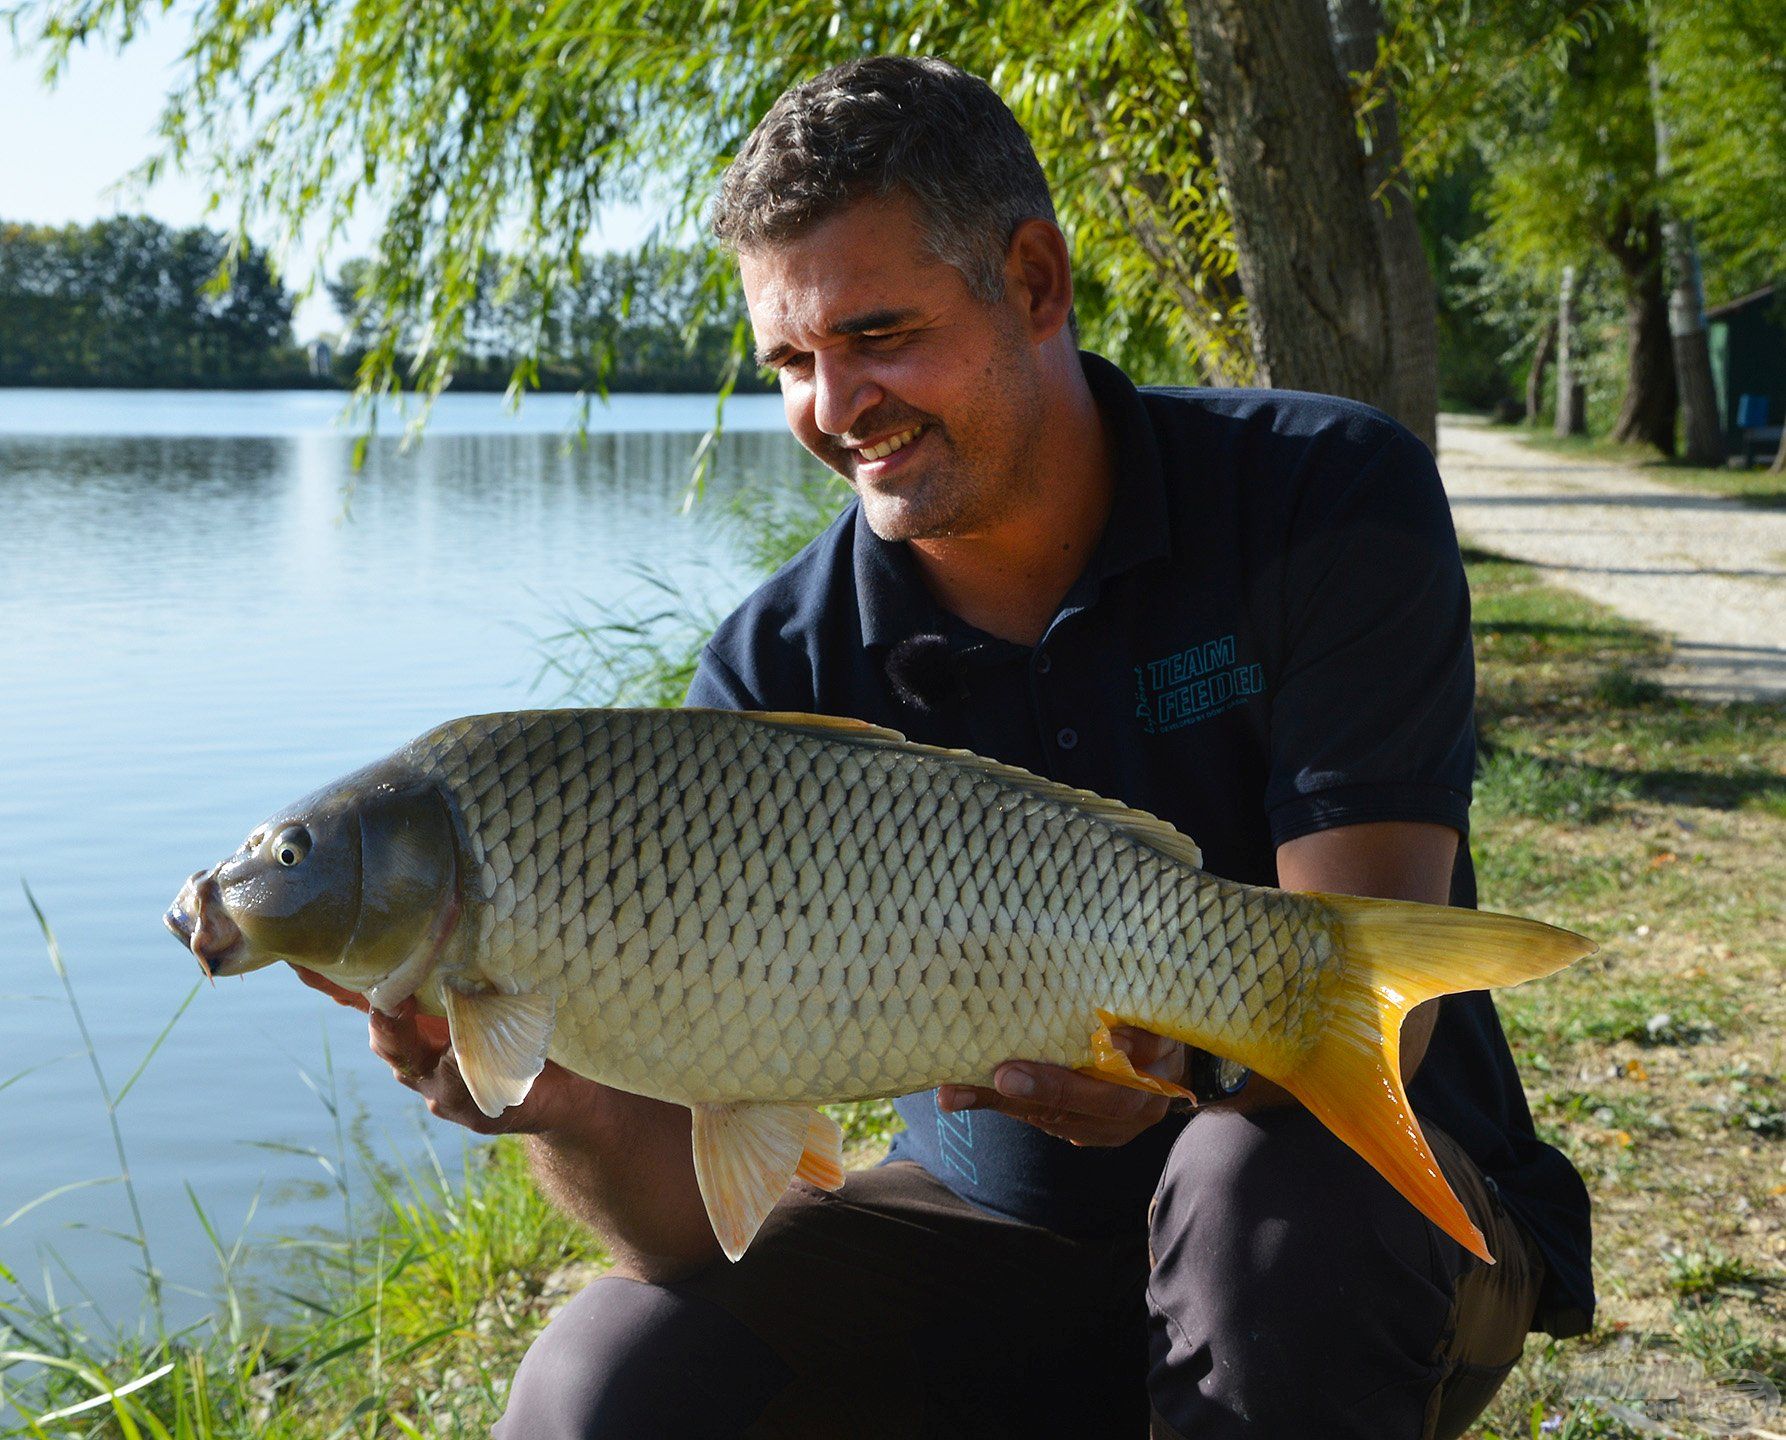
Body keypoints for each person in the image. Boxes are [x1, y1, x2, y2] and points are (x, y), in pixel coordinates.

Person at [319, 55, 1594, 1439]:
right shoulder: (776, 664)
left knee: (1255, 1191)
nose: (833, 405)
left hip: (1343, 1220)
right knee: (604, 1379)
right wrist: (559, 1102)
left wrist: (1181, 1077)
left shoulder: (1318, 491)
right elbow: (700, 1227)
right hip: (983, 1240)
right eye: (792, 363)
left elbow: (1362, 998)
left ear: (1034, 282)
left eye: (876, 333)